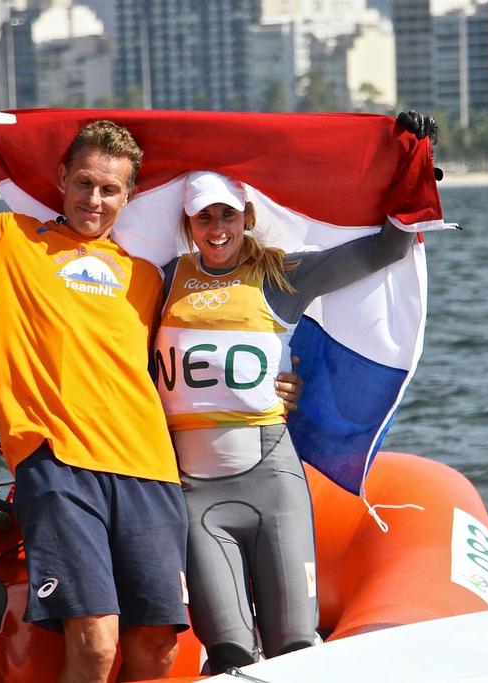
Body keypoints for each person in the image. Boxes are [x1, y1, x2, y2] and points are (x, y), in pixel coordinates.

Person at [0, 106, 302, 683]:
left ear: (128, 198)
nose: (94, 199)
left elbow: (206, 345)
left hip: (150, 469)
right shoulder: (8, 239)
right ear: (62, 180)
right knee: (97, 644)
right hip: (60, 467)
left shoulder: (147, 275)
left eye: (109, 189)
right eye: (84, 183)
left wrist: (277, 380)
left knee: (156, 646)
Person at [153, 169, 419, 673]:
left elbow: (384, 250)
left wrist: (409, 172)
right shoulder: (164, 279)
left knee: (294, 644)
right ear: (188, 223)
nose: (216, 229)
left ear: (246, 216)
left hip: (272, 486)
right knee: (228, 651)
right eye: (203, 217)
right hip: (196, 497)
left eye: (227, 215)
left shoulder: (284, 274)